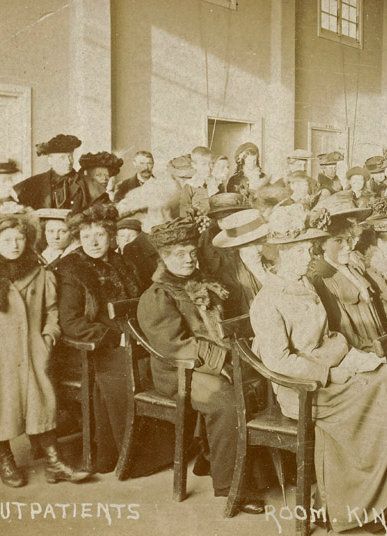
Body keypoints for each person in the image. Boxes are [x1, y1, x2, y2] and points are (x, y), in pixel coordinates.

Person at [249, 204, 387, 532]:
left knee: (386, 375)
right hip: (301, 390)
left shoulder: (305, 284)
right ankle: (354, 504)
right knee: (378, 389)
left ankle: (372, 497)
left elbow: (331, 337)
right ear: (280, 254)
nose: (310, 257)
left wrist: (351, 358)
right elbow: (278, 362)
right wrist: (329, 372)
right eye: (301, 251)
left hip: (329, 373)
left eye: (310, 249)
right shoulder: (267, 302)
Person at [0, 205, 91, 487]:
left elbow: (52, 310)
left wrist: (48, 337)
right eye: (7, 240)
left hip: (32, 352)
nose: (14, 245)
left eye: (19, 238)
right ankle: (4, 459)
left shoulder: (40, 273)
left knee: (40, 405)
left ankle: (54, 462)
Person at [136, 216, 265, 513]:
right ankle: (231, 486)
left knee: (259, 381)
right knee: (226, 401)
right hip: (178, 371)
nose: (188, 259)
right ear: (164, 258)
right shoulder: (157, 295)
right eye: (179, 254)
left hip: (208, 363)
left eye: (192, 252)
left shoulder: (202, 283)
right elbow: (174, 346)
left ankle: (235, 464)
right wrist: (222, 361)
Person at [52, 204, 143, 473]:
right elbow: (70, 323)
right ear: (78, 238)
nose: (93, 242)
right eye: (86, 236)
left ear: (111, 236)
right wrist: (113, 338)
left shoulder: (121, 261)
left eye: (99, 235)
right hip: (92, 348)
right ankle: (125, 454)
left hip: (131, 338)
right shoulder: (71, 269)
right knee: (125, 373)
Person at [307, 195, 384, 352]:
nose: (348, 247)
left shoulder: (352, 266)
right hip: (364, 353)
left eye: (349, 239)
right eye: (338, 241)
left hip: (379, 343)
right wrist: (375, 352)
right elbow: (344, 332)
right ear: (322, 244)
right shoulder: (322, 277)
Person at [211, 208, 271, 316]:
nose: (257, 249)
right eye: (249, 245)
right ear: (237, 246)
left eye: (259, 241)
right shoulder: (230, 275)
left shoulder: (272, 261)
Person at [14, 134, 87, 211]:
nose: (68, 162)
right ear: (50, 160)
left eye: (70, 156)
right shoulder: (37, 181)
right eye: (62, 157)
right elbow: (13, 198)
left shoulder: (85, 182)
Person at [116, 218, 158, 291]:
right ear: (117, 240)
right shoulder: (112, 259)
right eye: (122, 236)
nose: (126, 239)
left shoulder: (148, 258)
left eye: (132, 235)